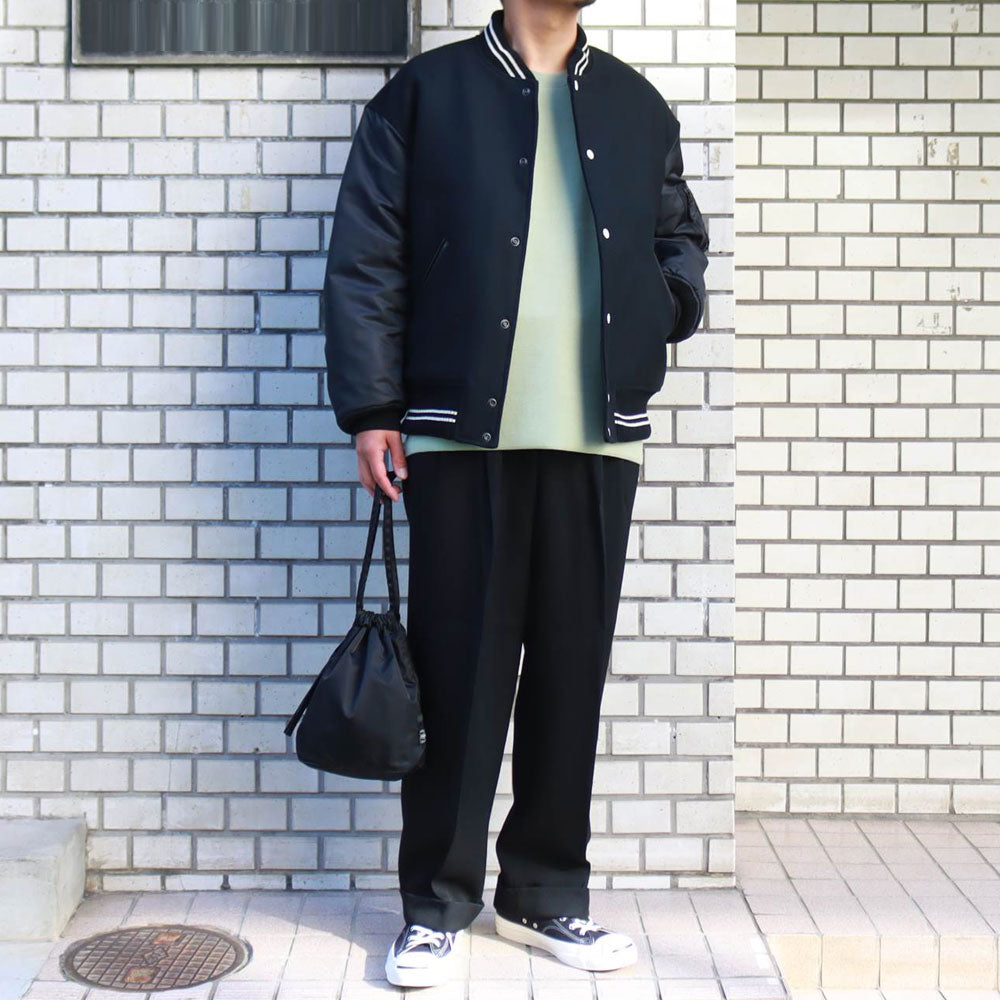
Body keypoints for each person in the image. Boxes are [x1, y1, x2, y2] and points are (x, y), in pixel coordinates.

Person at [323, 0, 709, 988]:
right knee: (459, 678)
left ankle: (544, 893)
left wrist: (661, 308)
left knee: (570, 680)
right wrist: (372, 407)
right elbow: (367, 255)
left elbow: (680, 239)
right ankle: (435, 906)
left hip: (597, 434)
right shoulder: (427, 95)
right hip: (460, 432)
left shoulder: (636, 105)